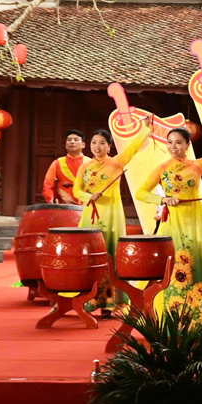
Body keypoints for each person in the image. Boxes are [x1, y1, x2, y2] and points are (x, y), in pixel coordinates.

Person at [136, 123, 202, 328]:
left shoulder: (197, 165)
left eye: (178, 142)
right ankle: (169, 318)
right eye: (170, 142)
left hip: (195, 222)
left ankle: (199, 320)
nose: (173, 146)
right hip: (172, 223)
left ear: (187, 145)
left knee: (196, 265)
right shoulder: (161, 169)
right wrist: (163, 199)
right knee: (174, 267)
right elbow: (140, 193)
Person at [74, 126, 151, 314]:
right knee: (92, 257)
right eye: (94, 143)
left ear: (109, 146)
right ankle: (91, 299)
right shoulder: (84, 167)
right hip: (90, 216)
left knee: (110, 257)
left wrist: (146, 128)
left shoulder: (117, 162)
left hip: (110, 215)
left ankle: (110, 301)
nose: (97, 146)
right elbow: (77, 190)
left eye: (102, 143)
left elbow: (133, 147)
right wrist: (88, 196)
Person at [42, 129, 88, 204]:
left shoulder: (91, 163)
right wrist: (51, 200)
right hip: (64, 206)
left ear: (83, 145)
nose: (72, 142)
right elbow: (48, 185)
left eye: (76, 140)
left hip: (87, 206)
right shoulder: (57, 163)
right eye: (69, 140)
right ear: (66, 145)